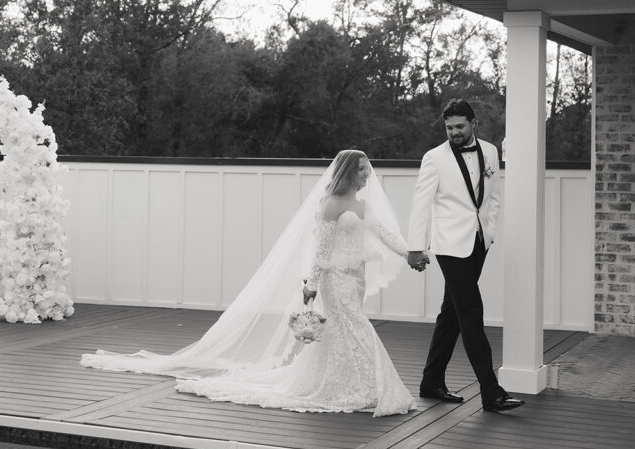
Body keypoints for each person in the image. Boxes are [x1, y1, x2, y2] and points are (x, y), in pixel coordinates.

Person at [81, 150, 416, 417]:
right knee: (353, 326)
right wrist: (311, 284)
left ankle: (346, 383)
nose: (367, 174)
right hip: (334, 278)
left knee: (345, 331)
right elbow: (322, 250)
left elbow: (385, 234)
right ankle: (366, 386)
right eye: (361, 169)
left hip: (356, 277)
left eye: (367, 169)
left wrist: (411, 253)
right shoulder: (330, 204)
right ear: (347, 172)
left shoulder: (361, 204)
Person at [407, 99, 524, 413]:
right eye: (449, 127)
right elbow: (421, 203)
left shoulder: (489, 151)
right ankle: (491, 392)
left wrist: (491, 231)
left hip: (478, 242)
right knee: (471, 313)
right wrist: (415, 246)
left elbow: (494, 196)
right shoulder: (434, 158)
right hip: (449, 245)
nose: (454, 132)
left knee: (452, 314)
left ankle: (431, 382)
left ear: (474, 123)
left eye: (460, 126)